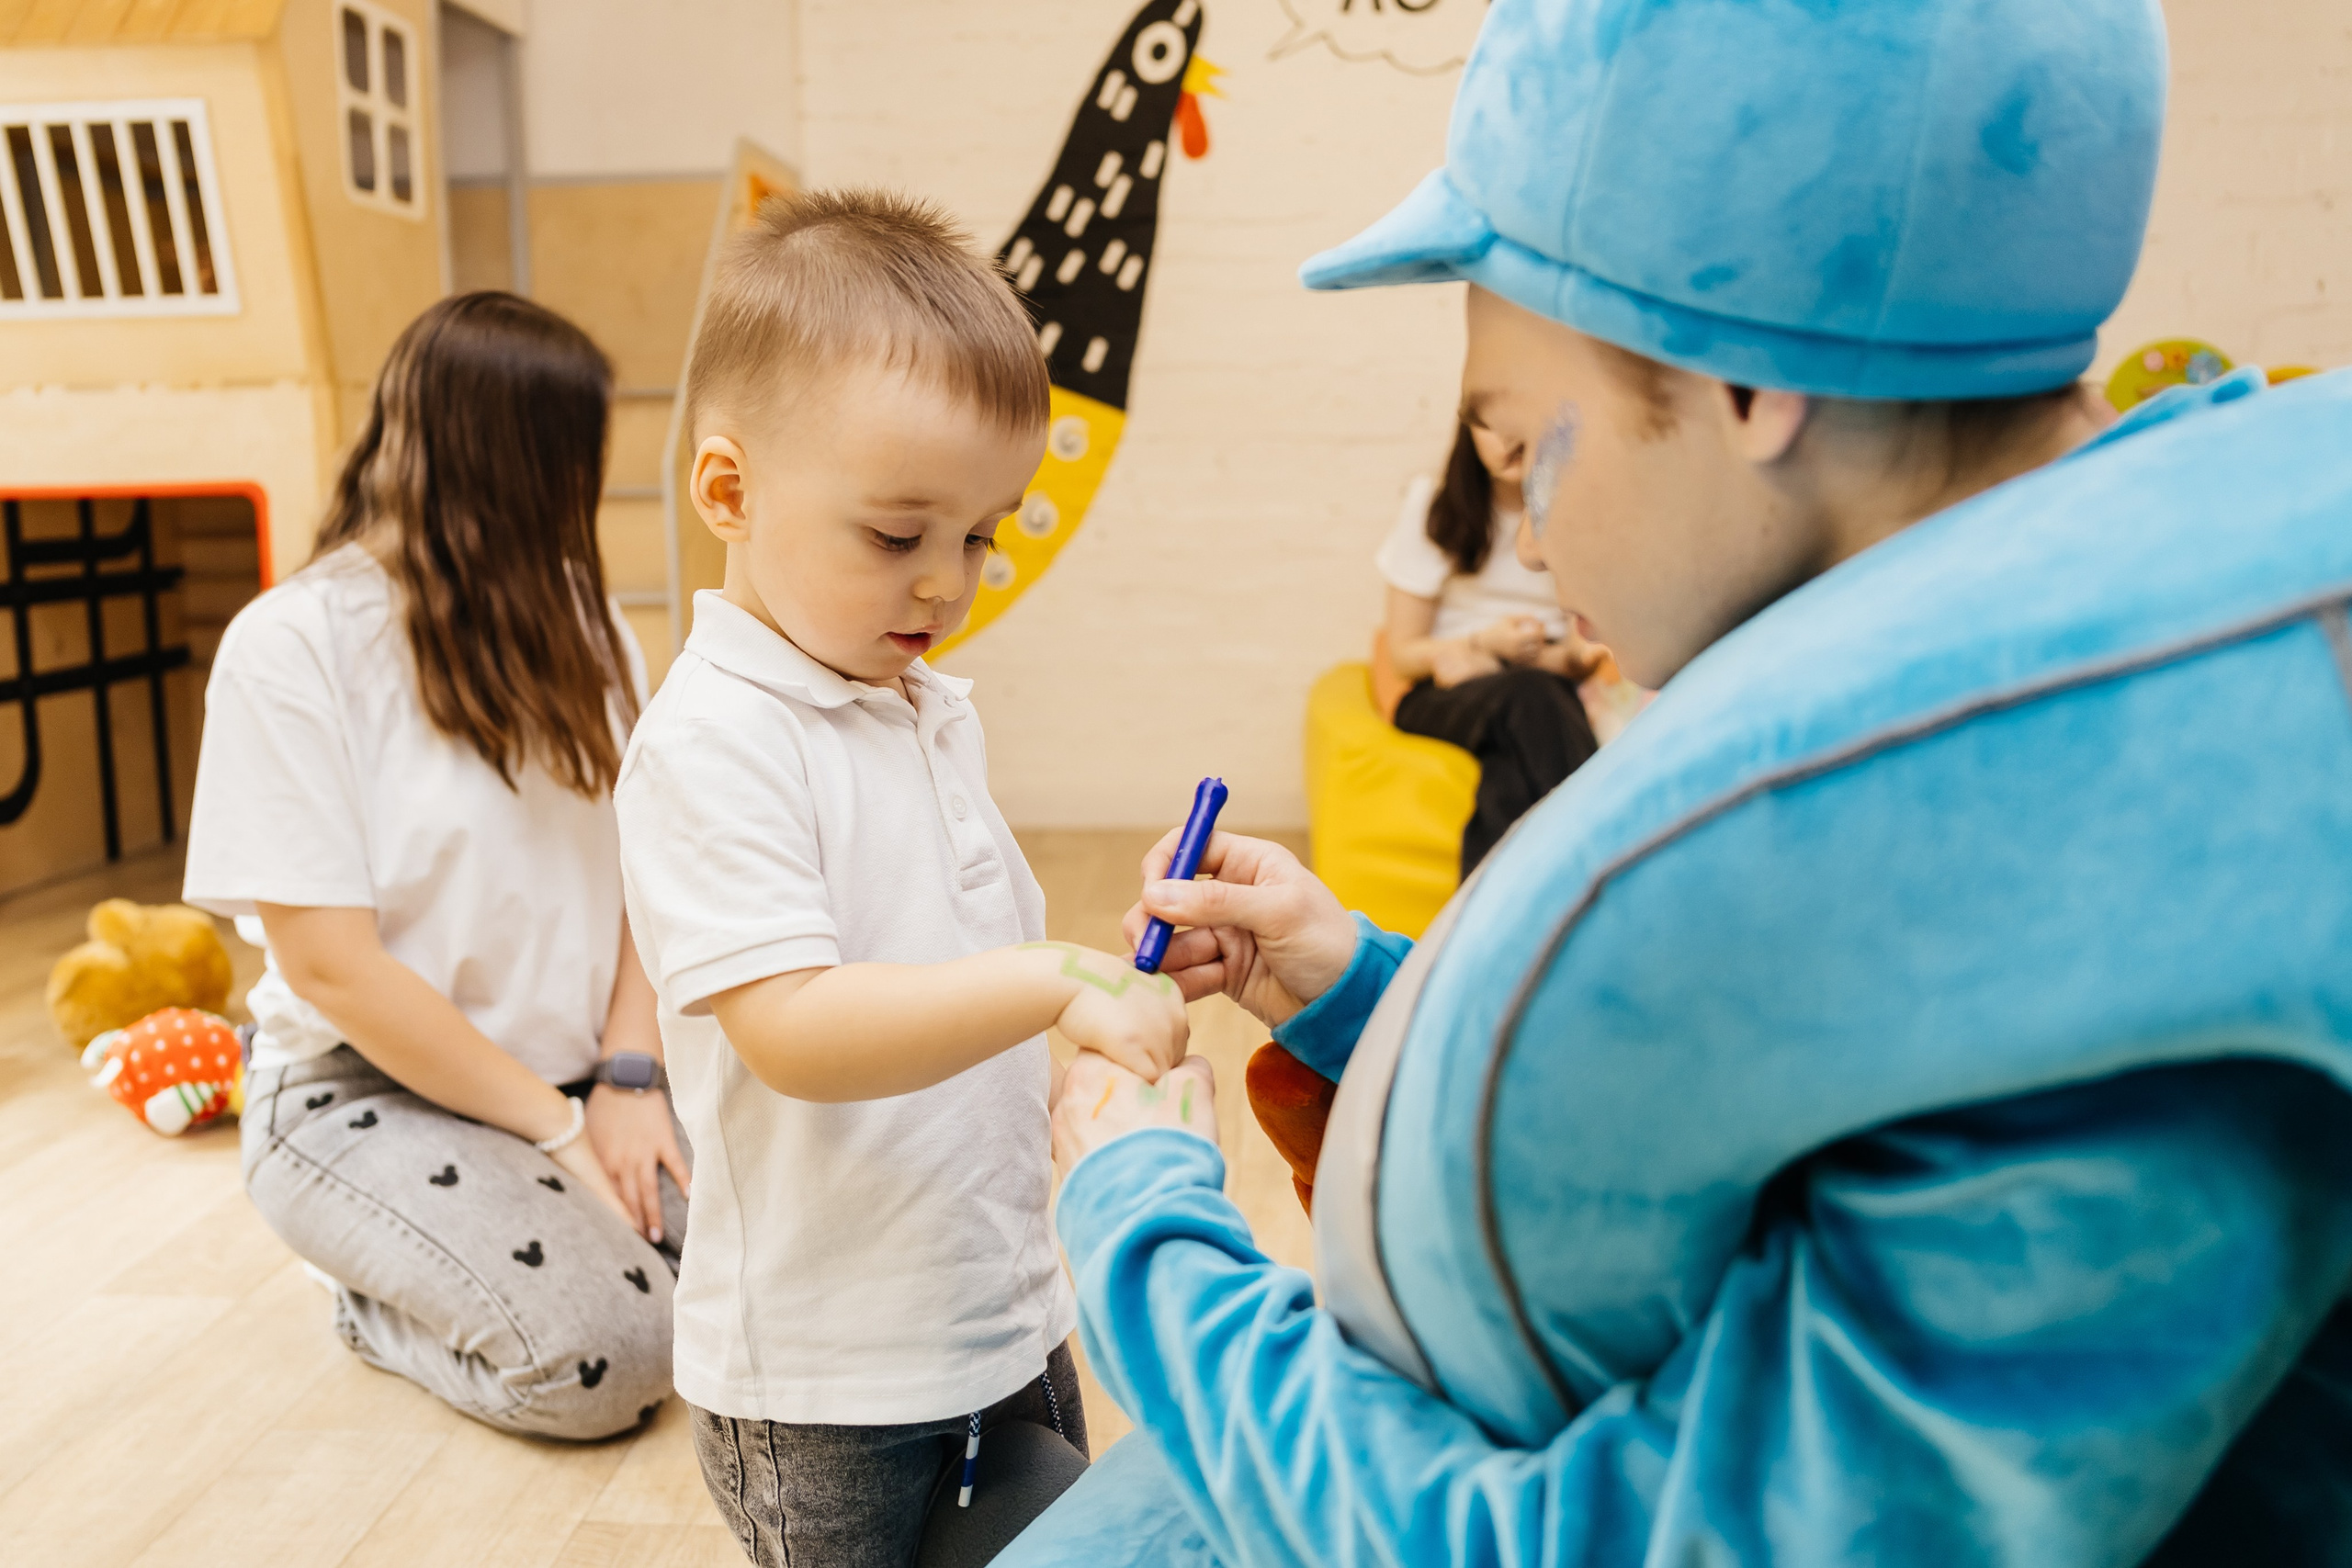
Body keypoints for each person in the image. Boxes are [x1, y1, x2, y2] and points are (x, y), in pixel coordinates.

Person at [1008, 0, 2352, 1563]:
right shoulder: (2036, 678)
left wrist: (1139, 1219)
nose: (1544, 539)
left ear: (1741, 383)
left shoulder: (2108, 859)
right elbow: (1780, 1125)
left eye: (1522, 451)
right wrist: (1358, 986)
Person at [613, 190, 1192, 1568]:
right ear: (729, 490)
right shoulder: (716, 740)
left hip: (999, 1305)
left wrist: (1072, 1056)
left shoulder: (917, 700)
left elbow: (955, 944)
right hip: (828, 1378)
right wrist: (1054, 984)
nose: (947, 584)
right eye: (896, 535)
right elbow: (799, 1026)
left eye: (983, 536)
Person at [183, 292, 692, 1439]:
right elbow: (332, 970)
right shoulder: (293, 644)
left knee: (776, 1282)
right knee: (611, 1357)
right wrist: (559, 1138)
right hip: (359, 1094)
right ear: (520, 464)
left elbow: (640, 883)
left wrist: (624, 1081)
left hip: (575, 1082)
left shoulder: (590, 624)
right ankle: (364, 1301)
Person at [1379, 420, 1604, 874]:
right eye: (1488, 425)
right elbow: (1401, 652)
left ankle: (1482, 921)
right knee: (1533, 696)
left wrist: (1549, 656)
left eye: (1519, 421)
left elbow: (1574, 659)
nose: (1505, 439)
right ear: (1468, 431)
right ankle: (1595, 855)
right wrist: (1481, 643)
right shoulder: (1434, 503)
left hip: (1537, 682)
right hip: (1441, 691)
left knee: (1510, 770)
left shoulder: (1576, 509)